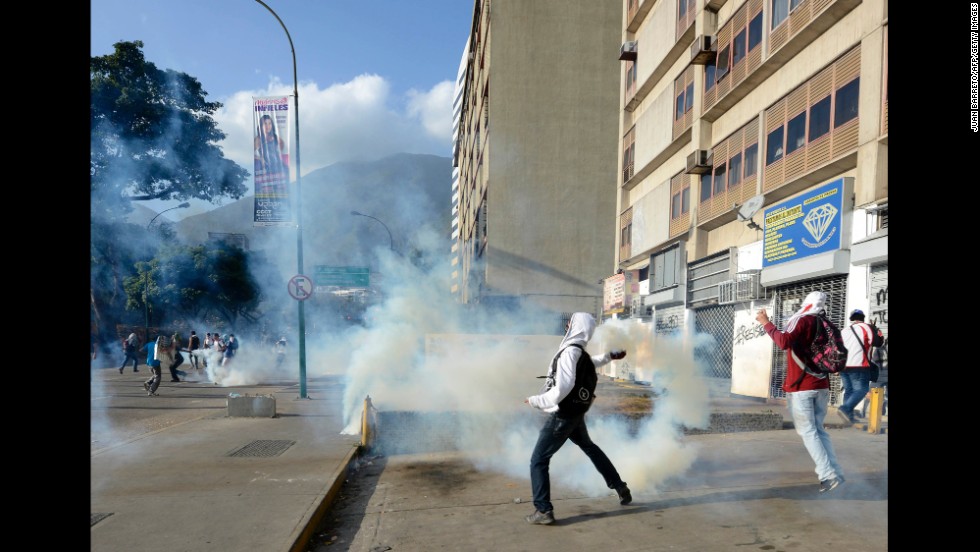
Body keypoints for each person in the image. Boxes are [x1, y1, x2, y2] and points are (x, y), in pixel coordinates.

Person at [523, 312, 631, 525]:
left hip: (563, 415)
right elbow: (592, 362)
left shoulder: (570, 352)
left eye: (570, 323)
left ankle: (543, 510)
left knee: (538, 460)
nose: (567, 326)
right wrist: (609, 356)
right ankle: (620, 487)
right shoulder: (579, 353)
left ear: (575, 327)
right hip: (576, 414)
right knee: (590, 447)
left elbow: (562, 388)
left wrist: (536, 400)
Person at [756, 291, 845, 493]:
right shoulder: (827, 324)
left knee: (808, 431)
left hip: (802, 386)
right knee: (818, 430)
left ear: (807, 303)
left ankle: (828, 476)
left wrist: (766, 323)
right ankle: (835, 472)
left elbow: (784, 342)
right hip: (822, 386)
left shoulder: (803, 320)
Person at [838, 309, 875, 425]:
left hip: (844, 366)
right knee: (862, 390)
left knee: (849, 390)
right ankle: (845, 409)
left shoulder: (844, 330)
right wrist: (875, 330)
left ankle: (848, 417)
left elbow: (838, 348)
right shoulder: (866, 327)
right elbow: (877, 342)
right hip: (858, 365)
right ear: (863, 318)